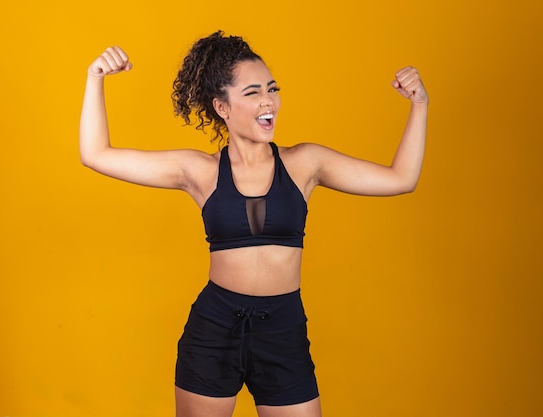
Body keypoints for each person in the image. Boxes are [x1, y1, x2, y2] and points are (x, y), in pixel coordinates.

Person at [79, 30, 428, 417]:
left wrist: (420, 106)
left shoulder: (305, 164)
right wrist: (95, 78)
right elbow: (96, 154)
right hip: (214, 330)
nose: (268, 102)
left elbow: (401, 179)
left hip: (283, 331)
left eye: (272, 89)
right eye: (252, 93)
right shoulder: (200, 171)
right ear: (222, 107)